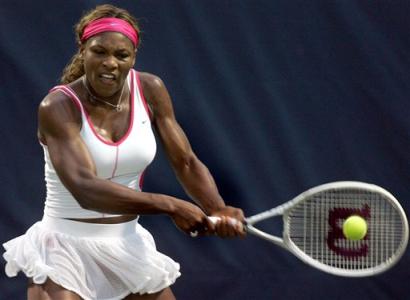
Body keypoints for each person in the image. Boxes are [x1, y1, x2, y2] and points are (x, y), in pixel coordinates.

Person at [2, 4, 245, 300]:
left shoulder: (151, 89)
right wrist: (170, 205)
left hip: (127, 245)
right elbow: (85, 188)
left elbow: (186, 161)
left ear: (133, 58)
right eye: (99, 52)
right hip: (63, 250)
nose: (110, 63)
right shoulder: (58, 107)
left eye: (121, 55)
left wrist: (216, 207)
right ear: (83, 51)